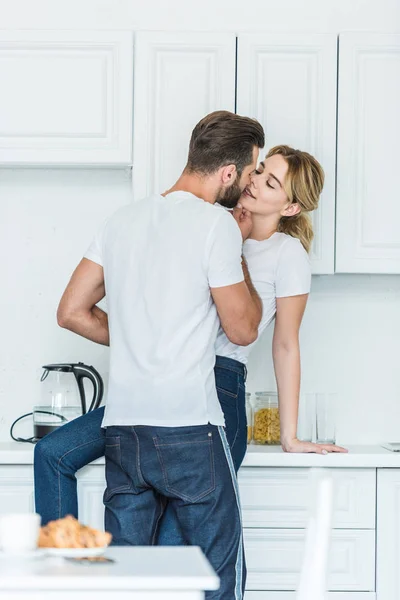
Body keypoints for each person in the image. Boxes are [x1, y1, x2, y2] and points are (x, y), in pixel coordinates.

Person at [38, 110, 265, 600]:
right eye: (249, 174)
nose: (248, 185)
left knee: (126, 581)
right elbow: (243, 328)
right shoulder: (216, 225)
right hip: (189, 428)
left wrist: (141, 335)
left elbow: (72, 311)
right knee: (219, 578)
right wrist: (240, 247)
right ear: (228, 173)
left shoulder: (121, 220)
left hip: (125, 430)